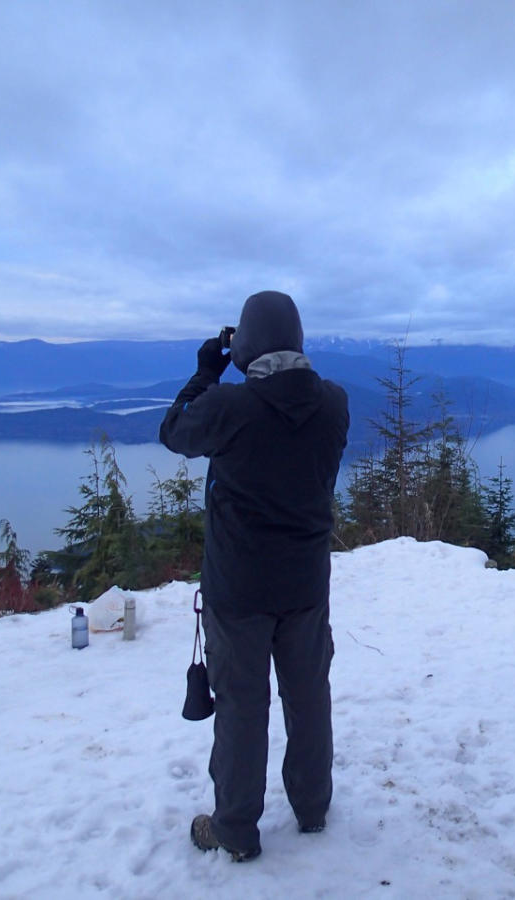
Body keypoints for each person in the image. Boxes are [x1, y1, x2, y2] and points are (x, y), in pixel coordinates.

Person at [160, 290, 349, 861]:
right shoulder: (334, 403)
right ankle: (313, 808)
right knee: (309, 696)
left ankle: (237, 830)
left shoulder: (229, 408)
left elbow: (174, 430)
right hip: (306, 585)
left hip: (239, 589)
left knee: (243, 706)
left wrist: (205, 372)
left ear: (248, 343)